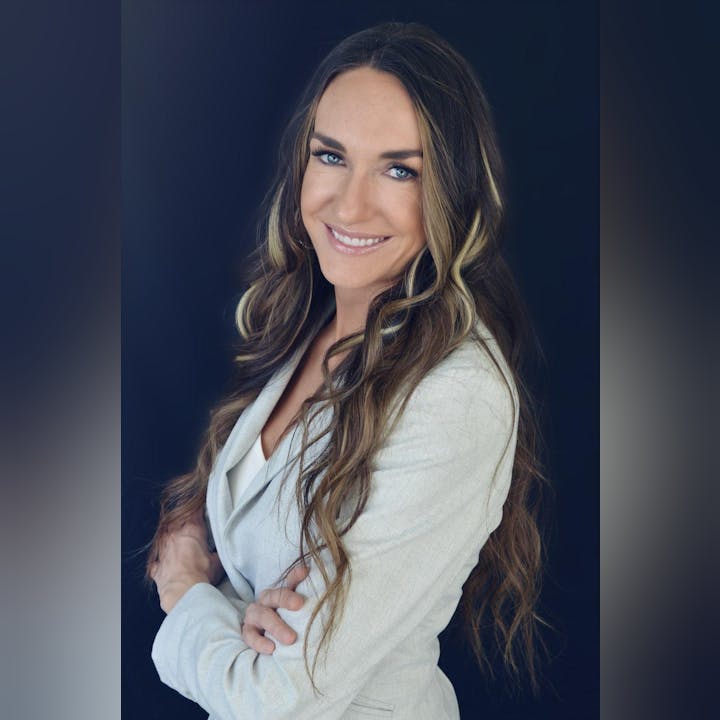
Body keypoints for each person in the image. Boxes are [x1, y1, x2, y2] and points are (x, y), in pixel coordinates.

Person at [146, 21, 548, 720]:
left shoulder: (458, 396)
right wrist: (236, 612)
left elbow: (274, 698)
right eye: (331, 156)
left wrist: (186, 592)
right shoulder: (314, 324)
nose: (349, 203)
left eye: (400, 170)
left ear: (451, 192)